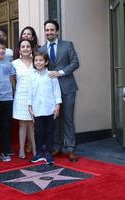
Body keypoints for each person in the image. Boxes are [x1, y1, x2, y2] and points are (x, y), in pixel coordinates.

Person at [38, 19, 80, 162]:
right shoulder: (41, 50)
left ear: (57, 31)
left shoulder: (67, 45)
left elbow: (75, 63)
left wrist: (60, 72)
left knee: (68, 118)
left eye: (52, 30)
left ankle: (70, 149)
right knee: (54, 120)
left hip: (68, 87)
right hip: (50, 90)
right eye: (47, 30)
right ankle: (55, 146)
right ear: (45, 32)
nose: (49, 32)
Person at [28, 52, 62, 165]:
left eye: (41, 60)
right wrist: (29, 106)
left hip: (50, 108)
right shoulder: (32, 76)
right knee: (38, 132)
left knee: (49, 132)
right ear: (34, 62)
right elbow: (30, 92)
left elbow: (57, 91)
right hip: (37, 109)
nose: (38, 62)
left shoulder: (51, 75)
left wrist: (57, 105)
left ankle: (48, 153)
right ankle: (39, 153)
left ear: (46, 62)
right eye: (36, 60)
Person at [12, 39, 36, 159]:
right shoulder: (15, 63)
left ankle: (35, 150)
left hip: (34, 96)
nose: (25, 48)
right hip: (21, 95)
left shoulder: (36, 62)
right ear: (19, 50)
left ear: (31, 49)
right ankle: (21, 149)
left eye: (28, 46)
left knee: (32, 123)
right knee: (22, 124)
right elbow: (11, 78)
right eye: (23, 47)